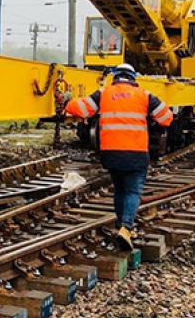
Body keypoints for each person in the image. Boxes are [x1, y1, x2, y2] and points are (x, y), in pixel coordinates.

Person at [65, 63, 173, 250]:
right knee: (132, 191)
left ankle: (119, 224)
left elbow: (80, 109)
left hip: (111, 154)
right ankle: (126, 228)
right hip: (136, 153)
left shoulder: (104, 93)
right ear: (133, 78)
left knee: (119, 189)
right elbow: (167, 118)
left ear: (115, 76)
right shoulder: (145, 95)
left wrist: (66, 100)